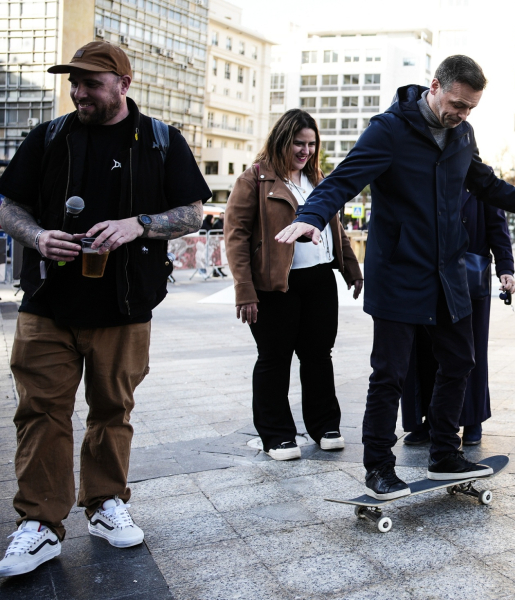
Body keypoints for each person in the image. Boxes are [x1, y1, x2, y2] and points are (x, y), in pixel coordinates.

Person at [275, 55, 515, 500]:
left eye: (470, 108)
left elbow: (488, 185)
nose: (461, 115)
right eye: (456, 104)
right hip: (400, 273)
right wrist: (312, 215)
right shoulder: (388, 130)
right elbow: (341, 181)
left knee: (460, 362)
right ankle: (378, 467)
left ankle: (445, 452)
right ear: (434, 86)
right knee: (389, 373)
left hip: (448, 274)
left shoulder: (461, 134)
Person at [0, 41, 209, 576]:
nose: (78, 91)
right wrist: (38, 235)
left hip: (124, 306)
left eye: (91, 82)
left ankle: (105, 504)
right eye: (74, 81)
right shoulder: (48, 137)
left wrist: (138, 224)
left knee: (113, 410)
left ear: (123, 83)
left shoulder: (161, 140)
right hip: (47, 302)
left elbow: (192, 213)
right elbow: (7, 204)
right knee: (41, 413)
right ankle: (41, 524)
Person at [224, 109, 363, 461]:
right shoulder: (254, 180)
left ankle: (325, 426)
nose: (305, 151)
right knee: (274, 358)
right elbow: (235, 238)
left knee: (319, 355)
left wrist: (351, 269)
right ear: (281, 140)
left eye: (312, 144)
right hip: (274, 286)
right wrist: (244, 289)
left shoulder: (318, 180)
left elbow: (336, 230)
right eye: (298, 143)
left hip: (319, 281)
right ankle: (277, 435)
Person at [401, 189, 515, 447]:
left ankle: (472, 419)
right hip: (427, 274)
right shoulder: (424, 170)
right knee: (426, 349)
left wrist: (505, 268)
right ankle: (430, 420)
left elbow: (498, 226)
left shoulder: (480, 179)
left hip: (469, 279)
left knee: (470, 352)